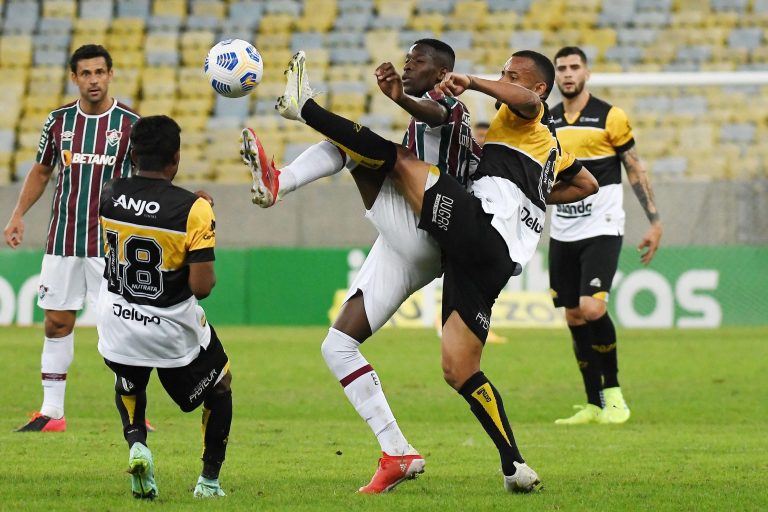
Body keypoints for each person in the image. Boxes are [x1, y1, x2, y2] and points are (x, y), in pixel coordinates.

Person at [273, 49, 598, 493]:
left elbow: (522, 100)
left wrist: (476, 81)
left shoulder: (530, 114)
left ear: (539, 88)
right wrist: (535, 197)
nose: (504, 79)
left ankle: (304, 107)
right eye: (502, 73)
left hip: (484, 231)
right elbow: (587, 185)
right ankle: (515, 466)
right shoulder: (551, 150)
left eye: (512, 75)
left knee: (397, 159)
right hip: (489, 262)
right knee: (459, 369)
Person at [242, 39, 481, 493]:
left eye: (419, 62)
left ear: (442, 72)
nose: (408, 65)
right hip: (411, 248)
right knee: (337, 348)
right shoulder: (431, 112)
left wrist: (402, 98)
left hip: (426, 230)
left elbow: (435, 114)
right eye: (408, 59)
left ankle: (282, 176)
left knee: (357, 147)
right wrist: (404, 100)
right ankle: (398, 452)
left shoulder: (450, 103)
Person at [4, 45, 142, 432]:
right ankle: (52, 413)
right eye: (86, 73)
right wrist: (16, 215)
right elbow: (42, 171)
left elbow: (149, 176)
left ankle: (135, 411)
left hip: (111, 243)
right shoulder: (59, 122)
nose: (94, 80)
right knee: (57, 322)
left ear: (111, 74)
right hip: (63, 240)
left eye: (100, 72)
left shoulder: (131, 123)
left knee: (121, 326)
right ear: (74, 78)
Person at [97, 115, 232, 499]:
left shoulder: (109, 192)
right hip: (170, 328)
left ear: (133, 154)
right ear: (176, 158)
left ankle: (137, 445)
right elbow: (202, 287)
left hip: (118, 321)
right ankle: (208, 482)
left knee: (130, 381)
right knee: (220, 384)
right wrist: (206, 217)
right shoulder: (193, 210)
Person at [548, 46, 662, 425]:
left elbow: (634, 167)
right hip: (563, 230)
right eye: (561, 68)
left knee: (592, 307)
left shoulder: (610, 116)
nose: (567, 73)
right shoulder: (546, 121)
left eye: (574, 67)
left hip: (602, 227)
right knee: (574, 317)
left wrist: (654, 221)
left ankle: (614, 396)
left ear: (587, 73)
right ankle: (593, 403)